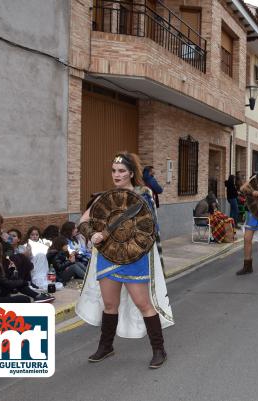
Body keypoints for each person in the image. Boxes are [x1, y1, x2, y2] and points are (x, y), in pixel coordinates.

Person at [76, 151, 173, 369]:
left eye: (121, 171)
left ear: (131, 173)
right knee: (110, 304)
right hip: (108, 257)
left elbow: (150, 229)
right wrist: (92, 234)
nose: (116, 175)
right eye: (114, 171)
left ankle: (159, 350)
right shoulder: (104, 197)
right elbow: (83, 221)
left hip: (134, 257)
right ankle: (106, 346)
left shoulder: (143, 195)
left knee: (143, 304)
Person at [0, 240, 54, 306]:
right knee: (24, 299)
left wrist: (12, 271)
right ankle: (37, 296)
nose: (2, 253)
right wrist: (22, 281)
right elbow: (5, 283)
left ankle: (37, 296)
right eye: (1, 250)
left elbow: (1, 281)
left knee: (17, 283)